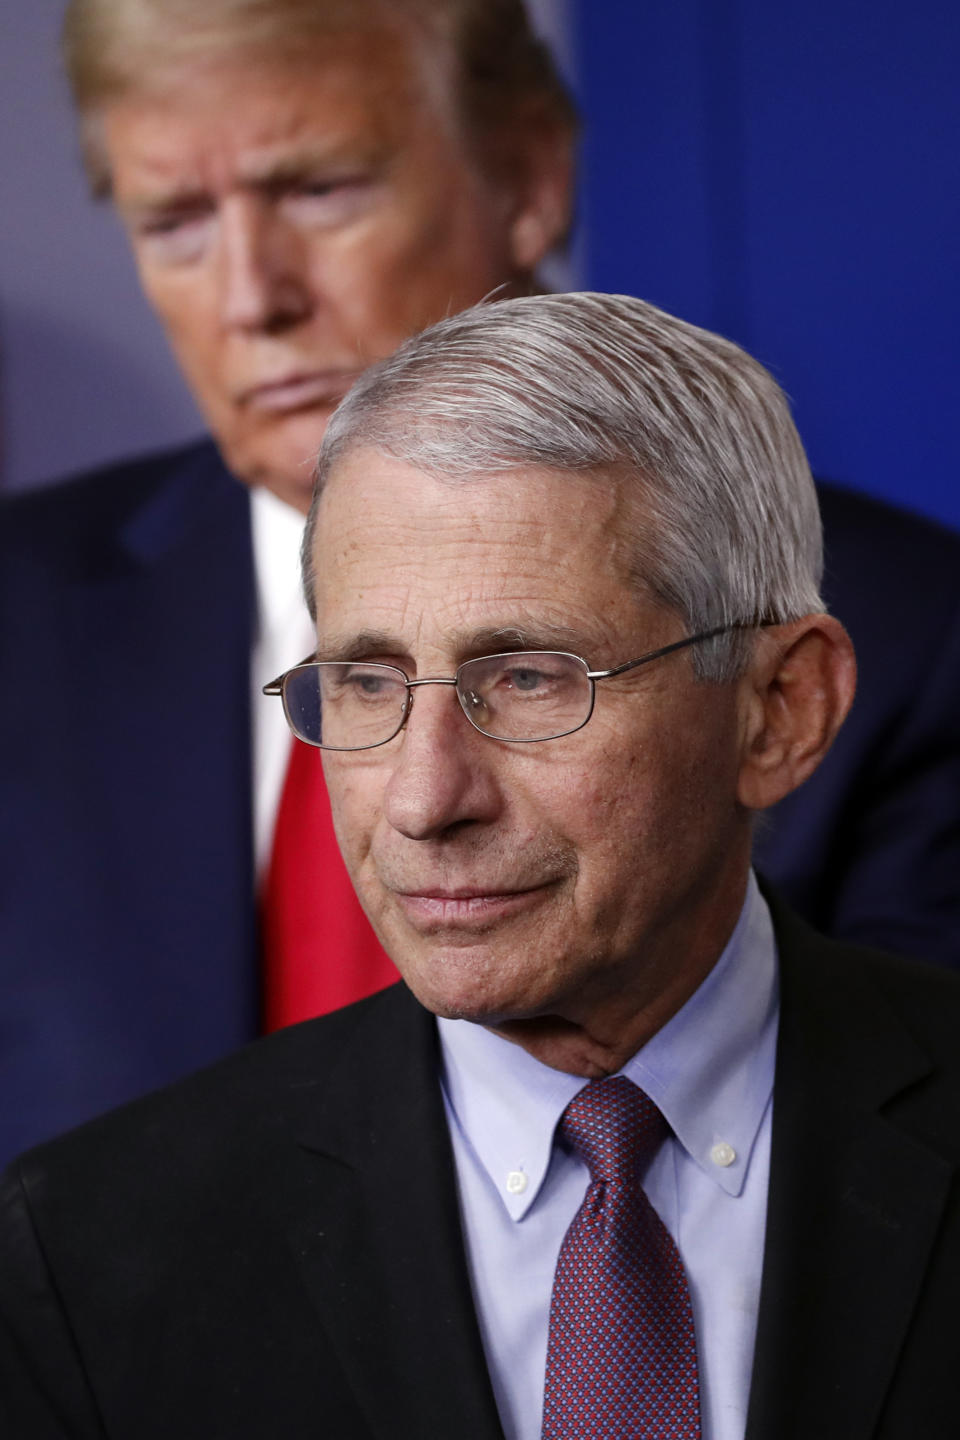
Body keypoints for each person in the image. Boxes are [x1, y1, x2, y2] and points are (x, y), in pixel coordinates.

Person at [2, 0, 958, 1174]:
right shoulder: (20, 620)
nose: (253, 297)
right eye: (178, 221)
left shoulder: (915, 634)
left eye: (320, 190)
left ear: (529, 180)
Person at [4, 292, 959, 1439]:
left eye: (528, 679)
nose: (422, 799)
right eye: (366, 683)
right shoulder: (87, 1254)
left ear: (779, 711)